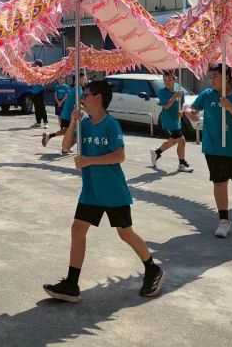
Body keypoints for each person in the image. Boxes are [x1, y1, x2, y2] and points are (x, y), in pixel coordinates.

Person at [43, 80, 165, 302]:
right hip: (91, 191)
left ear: (98, 98)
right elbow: (66, 146)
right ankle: (71, 284)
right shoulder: (84, 123)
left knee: (125, 233)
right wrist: (73, 123)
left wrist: (89, 160)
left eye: (86, 95)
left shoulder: (111, 124)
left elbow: (119, 155)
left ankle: (152, 269)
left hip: (113, 191)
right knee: (78, 229)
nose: (82, 99)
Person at [184, 65, 232, 238]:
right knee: (219, 183)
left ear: (226, 77)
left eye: (215, 76)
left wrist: (229, 107)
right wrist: (191, 113)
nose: (212, 80)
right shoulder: (207, 94)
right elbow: (194, 108)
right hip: (213, 147)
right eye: (211, 76)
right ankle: (223, 220)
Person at [150, 71, 193, 173]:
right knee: (181, 140)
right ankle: (181, 164)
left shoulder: (179, 90)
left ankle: (157, 152)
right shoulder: (162, 92)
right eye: (165, 80)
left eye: (169, 80)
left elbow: (181, 104)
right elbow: (166, 106)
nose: (167, 82)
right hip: (168, 120)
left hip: (175, 119)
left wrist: (181, 111)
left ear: (175, 80)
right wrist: (174, 96)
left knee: (174, 141)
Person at [42, 72, 87, 153]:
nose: (85, 80)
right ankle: (66, 148)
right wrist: (89, 110)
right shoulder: (78, 89)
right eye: (84, 79)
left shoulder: (76, 89)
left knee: (67, 131)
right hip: (68, 115)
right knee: (75, 132)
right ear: (79, 79)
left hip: (65, 114)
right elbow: (78, 104)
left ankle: (50, 136)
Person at [30, 60, 48, 129]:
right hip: (34, 92)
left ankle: (45, 122)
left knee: (42, 107)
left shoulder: (42, 72)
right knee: (36, 108)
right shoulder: (33, 72)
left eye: (35, 64)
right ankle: (38, 122)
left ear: (39, 65)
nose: (34, 65)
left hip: (41, 91)